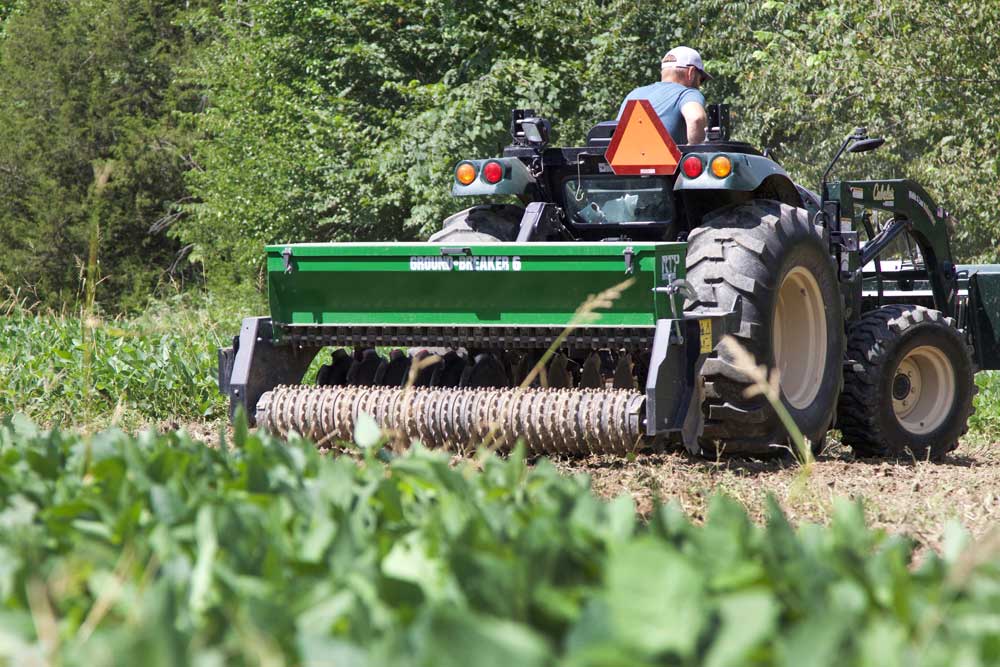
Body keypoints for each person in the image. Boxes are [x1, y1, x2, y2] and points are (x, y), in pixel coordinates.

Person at [617, 46, 709, 145]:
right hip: (667, 160)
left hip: (623, 159)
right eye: (701, 79)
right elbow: (696, 118)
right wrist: (695, 154)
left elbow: (616, 133)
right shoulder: (687, 93)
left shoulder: (634, 94)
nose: (700, 85)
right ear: (691, 73)